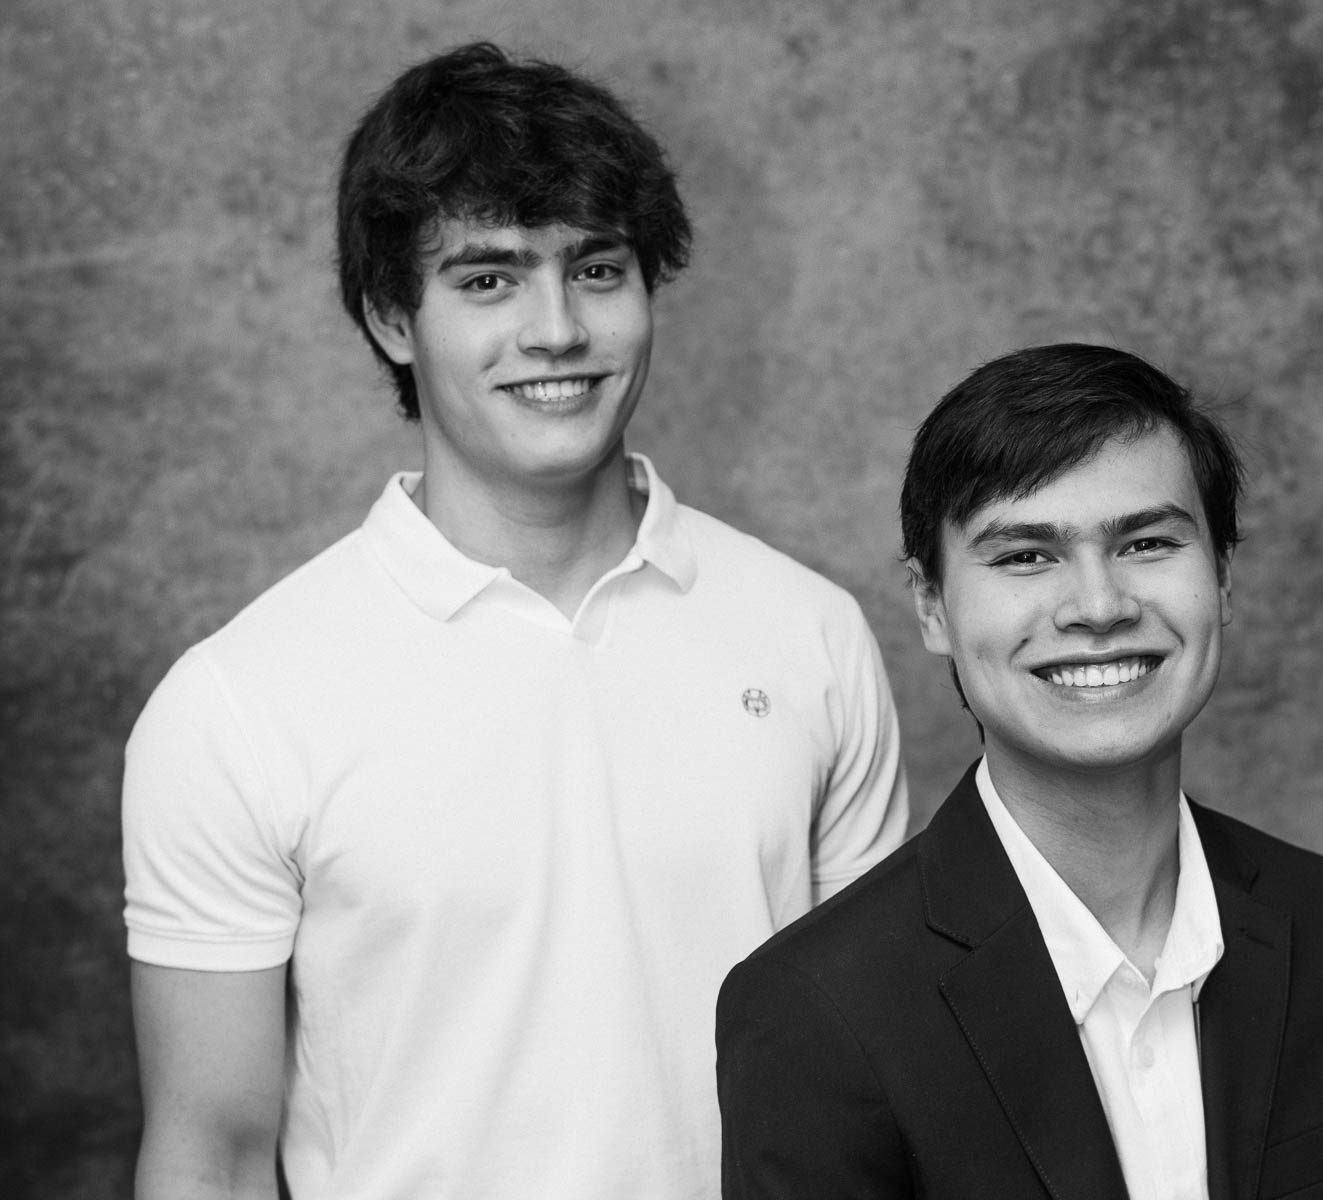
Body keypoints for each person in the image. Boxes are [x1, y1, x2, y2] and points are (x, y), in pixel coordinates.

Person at [123, 42, 907, 1199]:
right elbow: (214, 1154)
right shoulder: (237, 702)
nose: (558, 330)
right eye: (488, 280)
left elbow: (878, 1082)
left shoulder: (811, 635)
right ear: (394, 318)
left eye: (596, 270)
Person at [716, 343, 1323, 1199]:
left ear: (1222, 577)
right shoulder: (813, 1008)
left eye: (1146, 542)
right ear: (930, 606)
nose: (1100, 607)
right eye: (1026, 556)